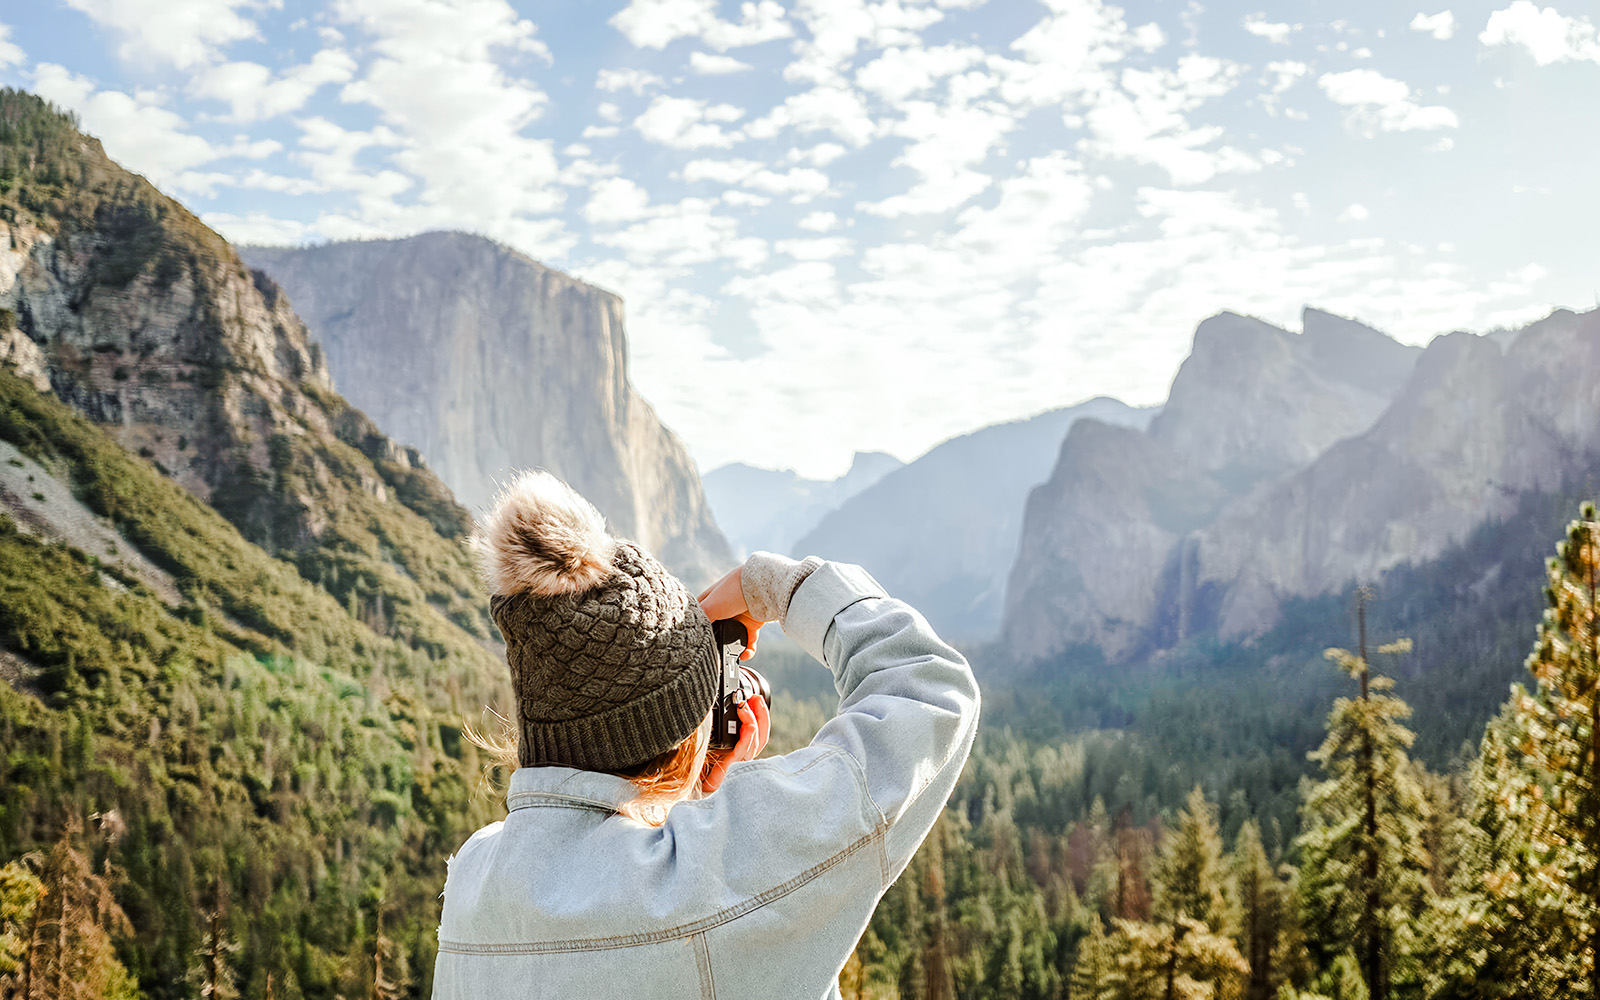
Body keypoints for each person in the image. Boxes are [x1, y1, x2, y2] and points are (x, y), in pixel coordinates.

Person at [431, 470, 980, 999]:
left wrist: (686, 790)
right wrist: (776, 586)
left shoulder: (472, 888)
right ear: (684, 737)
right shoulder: (723, 872)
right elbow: (929, 687)